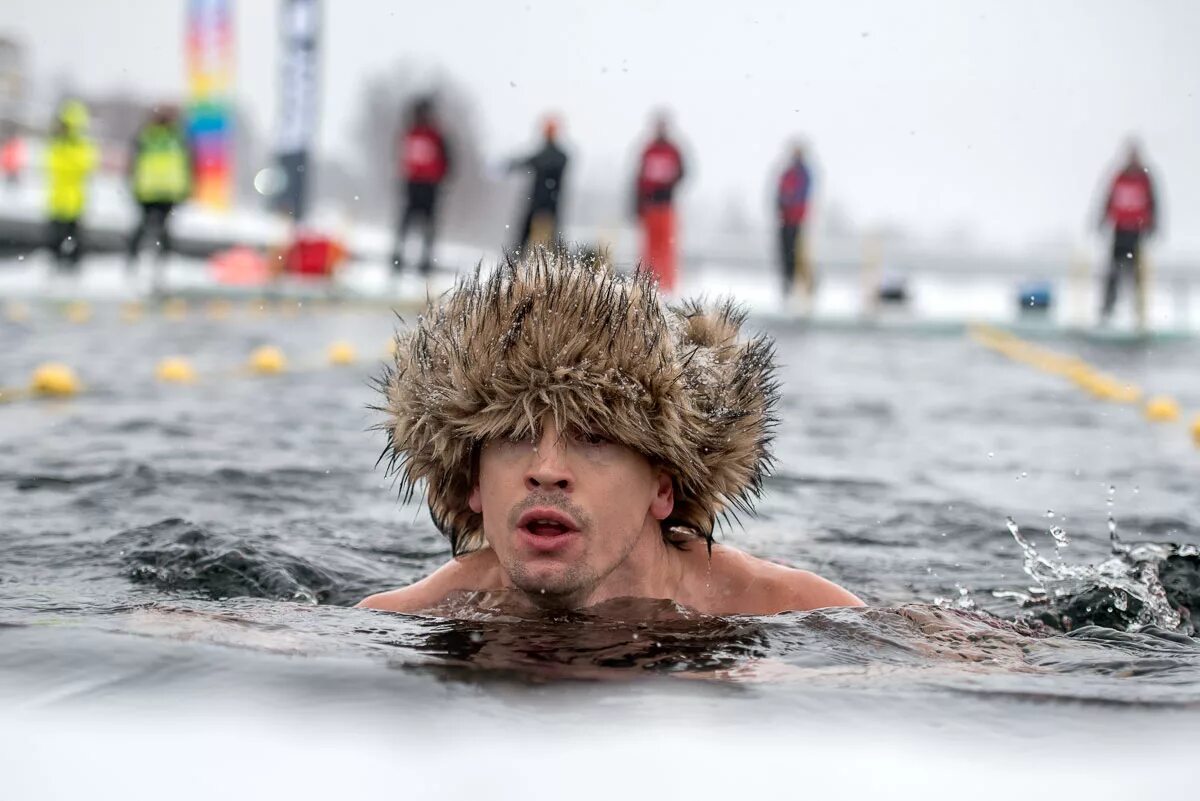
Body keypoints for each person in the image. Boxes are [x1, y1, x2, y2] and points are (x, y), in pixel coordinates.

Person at [358, 248, 863, 616]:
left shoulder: (788, 611)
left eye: (594, 436)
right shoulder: (407, 618)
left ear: (662, 487)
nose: (547, 471)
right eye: (515, 434)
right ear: (473, 484)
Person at [1097, 140, 1158, 325]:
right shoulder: (1119, 177)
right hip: (1120, 230)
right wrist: (1101, 219)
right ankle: (1107, 310)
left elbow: (1153, 203)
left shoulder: (1145, 179)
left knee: (1137, 273)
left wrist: (1153, 225)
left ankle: (1138, 312)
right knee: (1113, 272)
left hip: (1137, 232)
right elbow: (1108, 199)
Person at [126, 107, 191, 277]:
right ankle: (145, 262)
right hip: (156, 190)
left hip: (159, 191)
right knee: (150, 229)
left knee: (157, 229)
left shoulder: (155, 137)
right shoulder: (169, 138)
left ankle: (158, 264)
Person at [392, 96, 451, 279]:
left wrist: (439, 179)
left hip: (430, 186)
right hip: (412, 185)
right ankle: (398, 258)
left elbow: (448, 160)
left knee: (428, 225)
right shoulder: (409, 133)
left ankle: (425, 262)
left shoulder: (437, 136)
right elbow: (401, 157)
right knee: (406, 223)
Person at [633, 114, 686, 293]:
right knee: (649, 247)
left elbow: (683, 172)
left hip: (666, 206)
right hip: (650, 207)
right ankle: (648, 282)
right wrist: (638, 204)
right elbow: (638, 179)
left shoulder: (673, 151)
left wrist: (668, 186)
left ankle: (667, 284)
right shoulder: (648, 150)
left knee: (667, 247)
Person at [45, 100, 97, 271]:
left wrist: (66, 165)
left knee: (73, 236)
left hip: (74, 200)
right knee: (55, 237)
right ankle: (56, 266)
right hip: (58, 198)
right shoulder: (57, 143)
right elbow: (52, 164)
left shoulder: (80, 145)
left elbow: (82, 166)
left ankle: (72, 267)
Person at [508, 116, 568, 252]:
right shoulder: (545, 154)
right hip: (540, 201)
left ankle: (553, 264)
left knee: (551, 238)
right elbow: (529, 161)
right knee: (525, 236)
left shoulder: (558, 155)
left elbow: (539, 162)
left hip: (549, 202)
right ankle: (515, 262)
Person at [776, 142, 814, 302]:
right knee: (785, 252)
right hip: (785, 219)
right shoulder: (788, 172)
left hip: (796, 219)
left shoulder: (803, 173)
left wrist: (789, 201)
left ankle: (806, 283)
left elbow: (800, 194)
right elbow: (780, 193)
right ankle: (788, 282)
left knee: (797, 252)